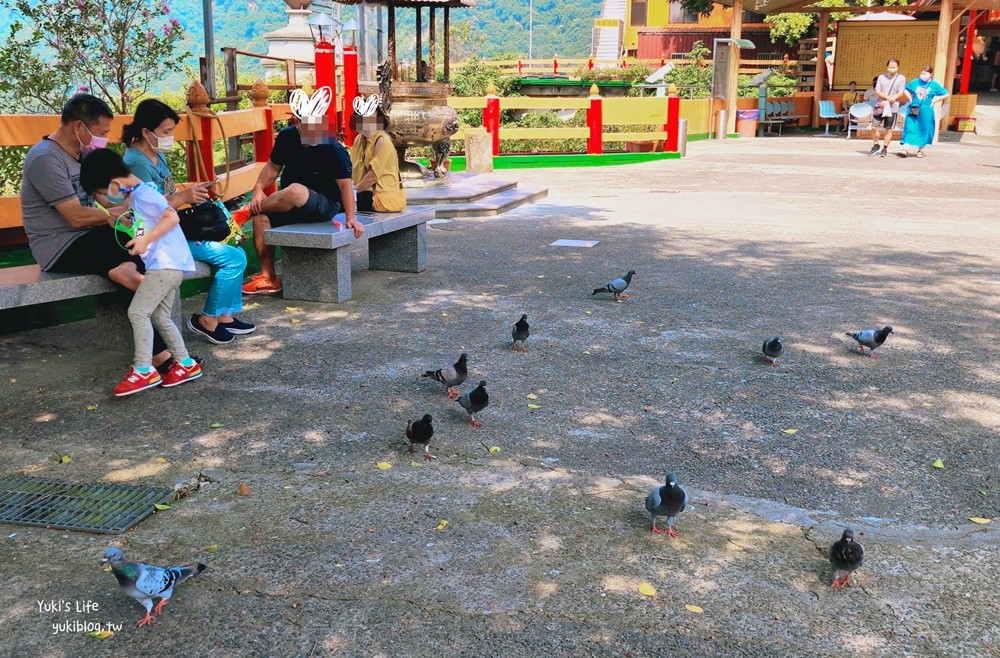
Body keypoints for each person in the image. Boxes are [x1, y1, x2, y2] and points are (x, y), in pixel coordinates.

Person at [20, 93, 178, 373]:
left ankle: (128, 278)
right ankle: (161, 355)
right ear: (79, 127)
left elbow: (108, 199)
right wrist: (111, 217)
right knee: (128, 252)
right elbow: (75, 216)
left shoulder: (86, 154)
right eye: (101, 133)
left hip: (90, 237)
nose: (104, 139)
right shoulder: (45, 159)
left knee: (138, 247)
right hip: (59, 246)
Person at [122, 99, 255, 344]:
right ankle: (207, 319)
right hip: (156, 238)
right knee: (233, 258)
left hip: (172, 230)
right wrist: (183, 197)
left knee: (236, 252)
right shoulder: (135, 162)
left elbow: (166, 195)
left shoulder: (153, 154)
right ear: (145, 132)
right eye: (165, 131)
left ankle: (224, 316)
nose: (170, 136)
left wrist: (192, 192)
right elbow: (147, 209)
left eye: (172, 131)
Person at [80, 149, 202, 396]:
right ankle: (186, 364)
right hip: (170, 264)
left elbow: (171, 217)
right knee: (160, 317)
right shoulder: (138, 194)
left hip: (164, 265)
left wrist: (146, 240)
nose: (105, 200)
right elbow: (146, 223)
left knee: (137, 312)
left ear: (114, 184)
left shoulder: (144, 195)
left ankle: (144, 369)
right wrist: (126, 223)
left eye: (103, 194)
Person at [237, 114, 363, 295]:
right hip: (291, 204)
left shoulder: (334, 149)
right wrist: (258, 189)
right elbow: (272, 167)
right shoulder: (287, 137)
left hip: (325, 205)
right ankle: (269, 278)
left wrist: (351, 218)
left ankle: (246, 211)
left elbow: (345, 186)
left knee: (296, 190)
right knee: (261, 218)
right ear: (298, 124)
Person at [348, 104, 406, 213]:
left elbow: (372, 177)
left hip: (381, 198)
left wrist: (353, 194)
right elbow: (353, 168)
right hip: (364, 192)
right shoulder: (359, 139)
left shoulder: (382, 140)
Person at [898, 66, 949, 159]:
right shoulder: (915, 82)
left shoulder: (934, 84)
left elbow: (945, 94)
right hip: (914, 107)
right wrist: (910, 98)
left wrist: (935, 100)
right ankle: (905, 148)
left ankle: (920, 150)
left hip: (926, 108)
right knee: (910, 126)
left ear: (931, 74)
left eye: (925, 74)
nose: (923, 75)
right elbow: (906, 89)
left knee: (924, 128)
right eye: (922, 73)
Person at [869, 59, 907, 158]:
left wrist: (890, 100)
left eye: (894, 67)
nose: (892, 69)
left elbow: (900, 92)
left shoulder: (901, 78)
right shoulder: (881, 77)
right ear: (887, 67)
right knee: (874, 127)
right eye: (890, 67)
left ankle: (885, 148)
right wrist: (886, 99)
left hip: (893, 107)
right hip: (880, 105)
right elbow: (877, 90)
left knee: (888, 129)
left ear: (898, 68)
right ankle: (876, 144)